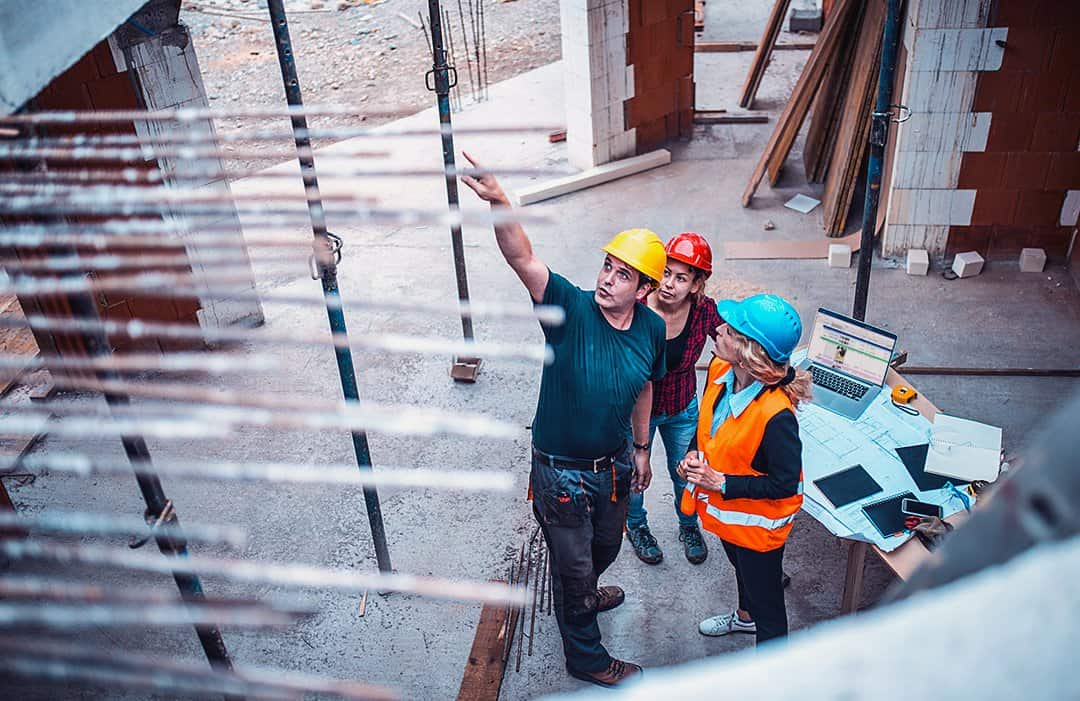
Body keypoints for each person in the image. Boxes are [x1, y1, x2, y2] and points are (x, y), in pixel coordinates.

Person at [460, 153, 666, 687]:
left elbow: (645, 385)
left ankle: (583, 594)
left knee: (607, 547)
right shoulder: (569, 309)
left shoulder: (650, 329)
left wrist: (642, 449)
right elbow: (523, 259)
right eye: (607, 267)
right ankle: (587, 656)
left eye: (624, 276)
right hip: (561, 475)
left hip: (615, 465)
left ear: (644, 291)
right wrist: (502, 202)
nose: (608, 280)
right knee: (573, 569)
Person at [676, 294, 811, 645]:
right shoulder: (721, 370)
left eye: (731, 330)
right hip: (730, 518)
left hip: (758, 532)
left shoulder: (777, 416)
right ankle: (744, 618)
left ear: (750, 352)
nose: (718, 329)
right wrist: (693, 455)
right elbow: (710, 426)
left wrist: (721, 483)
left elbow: (784, 485)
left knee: (768, 606)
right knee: (740, 570)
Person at [625, 232, 720, 566]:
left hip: (681, 407)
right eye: (666, 272)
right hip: (639, 413)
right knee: (635, 474)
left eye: (681, 278)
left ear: (696, 285)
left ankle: (688, 524)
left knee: (686, 473)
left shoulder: (704, 311)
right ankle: (635, 525)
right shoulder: (637, 308)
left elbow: (730, 339)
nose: (668, 284)